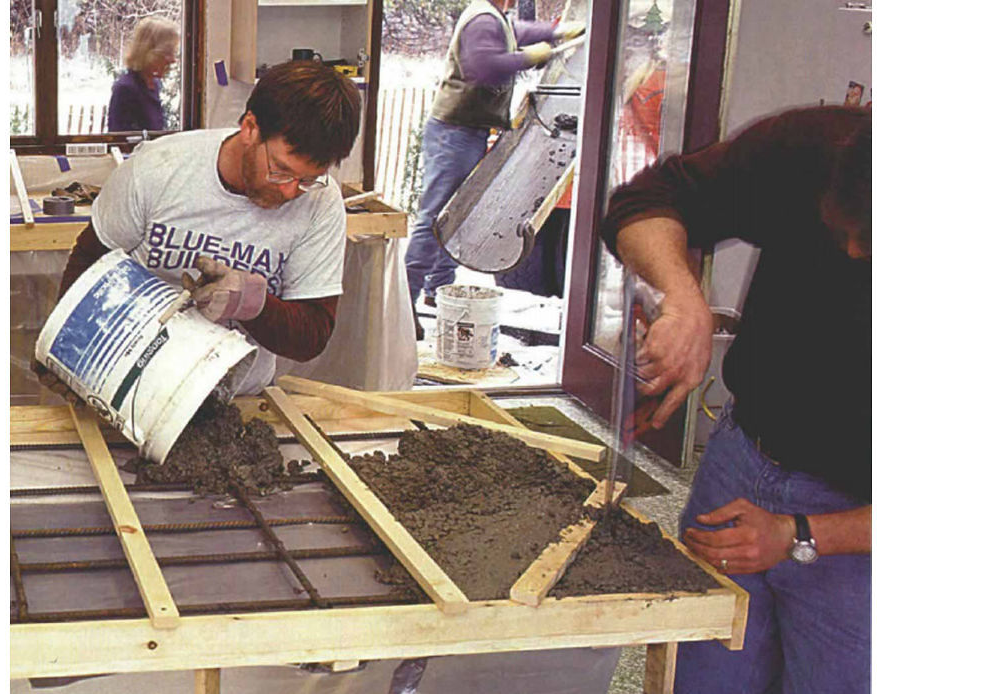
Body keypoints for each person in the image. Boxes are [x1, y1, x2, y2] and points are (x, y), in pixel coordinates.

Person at [601, 106, 871, 694]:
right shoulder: (812, 147)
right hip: (743, 459)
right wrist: (683, 297)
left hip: (864, 525)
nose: (851, 252)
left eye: (873, 243)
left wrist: (800, 534)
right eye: (839, 226)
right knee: (700, 673)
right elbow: (641, 205)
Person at [54, 60, 362, 396]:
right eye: (281, 171)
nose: (290, 191)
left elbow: (312, 336)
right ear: (250, 128)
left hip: (236, 399)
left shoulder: (321, 202)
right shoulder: (158, 169)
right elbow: (89, 262)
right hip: (131, 386)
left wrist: (253, 304)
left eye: (307, 180)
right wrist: (66, 349)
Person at [405, 0, 584, 339]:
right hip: (454, 133)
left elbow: (515, 32)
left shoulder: (493, 17)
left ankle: (438, 292)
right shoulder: (483, 18)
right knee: (435, 220)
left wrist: (555, 32)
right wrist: (535, 55)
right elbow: (484, 67)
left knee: (456, 218)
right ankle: (402, 306)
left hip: (464, 131)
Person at [107, 16, 179, 132]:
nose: (172, 60)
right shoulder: (126, 89)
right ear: (149, 53)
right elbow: (122, 142)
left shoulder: (153, 85)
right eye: (167, 53)